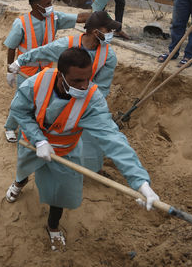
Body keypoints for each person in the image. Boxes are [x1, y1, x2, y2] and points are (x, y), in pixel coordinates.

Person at [5, 47, 160, 251]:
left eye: (88, 79)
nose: (85, 86)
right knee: (24, 168)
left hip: (65, 152)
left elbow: (113, 139)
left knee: (60, 193)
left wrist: (141, 183)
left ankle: (52, 227)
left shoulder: (92, 99)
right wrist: (39, 140)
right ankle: (19, 183)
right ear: (61, 76)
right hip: (32, 144)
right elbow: (19, 111)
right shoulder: (37, 83)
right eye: (77, 81)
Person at [8, 11, 120, 172]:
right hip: (60, 93)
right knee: (41, 121)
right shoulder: (67, 45)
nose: (111, 34)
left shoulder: (108, 56)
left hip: (85, 97)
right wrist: (20, 61)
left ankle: (88, 168)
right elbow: (43, 51)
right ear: (96, 32)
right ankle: (31, 161)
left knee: (90, 138)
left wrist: (92, 105)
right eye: (108, 30)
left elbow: (102, 86)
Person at [3, 0, 90, 142]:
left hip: (46, 70)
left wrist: (99, 17)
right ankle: (10, 128)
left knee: (43, 101)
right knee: (21, 100)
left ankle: (36, 129)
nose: (51, 6)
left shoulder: (54, 18)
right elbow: (11, 47)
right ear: (36, 6)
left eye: (50, 3)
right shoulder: (21, 23)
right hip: (26, 70)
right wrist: (10, 70)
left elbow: (80, 18)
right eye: (47, 4)